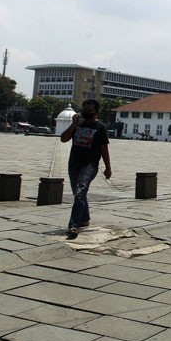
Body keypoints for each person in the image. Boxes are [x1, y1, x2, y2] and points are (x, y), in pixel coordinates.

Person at [60, 99, 112, 239]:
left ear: (95, 111)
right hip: (74, 163)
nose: (87, 113)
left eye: (90, 111)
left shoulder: (100, 127)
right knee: (79, 193)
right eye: (85, 110)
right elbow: (63, 139)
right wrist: (74, 124)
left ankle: (73, 224)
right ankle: (84, 219)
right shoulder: (78, 124)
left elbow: (104, 148)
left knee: (80, 190)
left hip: (90, 164)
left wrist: (108, 167)